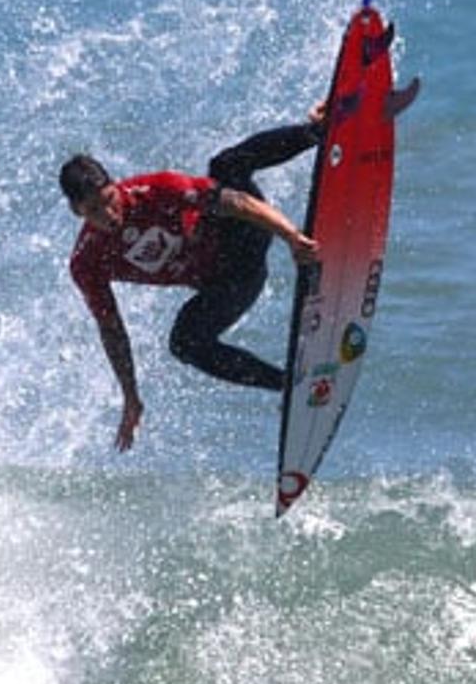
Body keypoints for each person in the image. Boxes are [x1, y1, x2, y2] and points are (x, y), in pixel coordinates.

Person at [60, 108, 325, 451]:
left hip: (243, 237)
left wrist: (291, 236)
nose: (108, 215)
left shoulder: (157, 189)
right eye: (93, 211)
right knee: (184, 343)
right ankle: (291, 385)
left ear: (115, 186)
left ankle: (316, 132)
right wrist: (131, 397)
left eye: (109, 201)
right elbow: (112, 330)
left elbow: (238, 202)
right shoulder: (87, 262)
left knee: (225, 167)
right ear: (76, 212)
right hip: (230, 284)